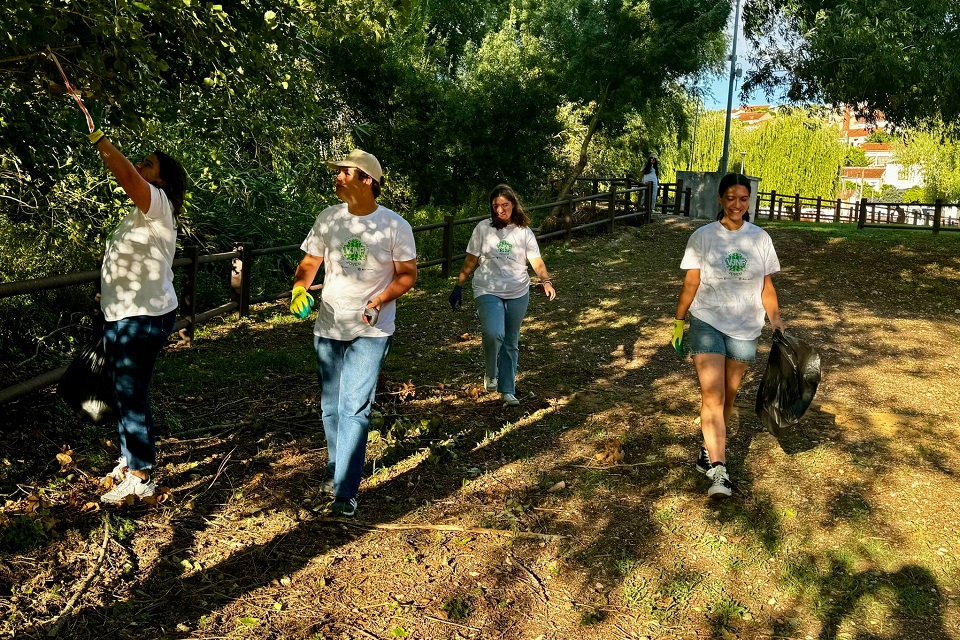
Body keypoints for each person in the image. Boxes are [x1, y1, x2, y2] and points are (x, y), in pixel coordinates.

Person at [290, 149, 417, 518]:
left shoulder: (395, 225)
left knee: (354, 408)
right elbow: (310, 262)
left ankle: (346, 490)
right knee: (331, 407)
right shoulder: (328, 219)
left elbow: (407, 275)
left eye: (345, 172)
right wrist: (300, 289)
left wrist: (380, 299)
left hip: (371, 330)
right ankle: (336, 468)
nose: (338, 177)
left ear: (367, 180)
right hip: (329, 325)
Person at [83, 128, 186, 504]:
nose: (141, 166)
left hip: (142, 317)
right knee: (126, 392)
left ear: (162, 179)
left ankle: (141, 477)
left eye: (149, 164)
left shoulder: (158, 203)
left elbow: (126, 175)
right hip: (124, 314)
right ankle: (132, 462)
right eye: (142, 161)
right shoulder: (140, 215)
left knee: (131, 393)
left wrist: (100, 141)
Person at [671, 173, 784, 498]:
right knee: (714, 397)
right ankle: (719, 470)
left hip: (746, 328)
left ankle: (707, 451)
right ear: (720, 199)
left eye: (743, 198)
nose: (737, 204)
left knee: (729, 398)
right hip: (707, 322)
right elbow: (691, 283)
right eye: (731, 198)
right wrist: (680, 320)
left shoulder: (760, 238)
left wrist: (775, 318)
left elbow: (767, 287)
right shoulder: (703, 237)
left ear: (749, 201)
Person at [448, 184, 556, 406]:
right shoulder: (482, 229)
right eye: (495, 206)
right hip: (487, 289)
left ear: (513, 205)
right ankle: (491, 372)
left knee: (511, 340)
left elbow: (536, 261)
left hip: (518, 291)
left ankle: (508, 390)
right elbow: (470, 261)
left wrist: (545, 281)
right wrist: (458, 286)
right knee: (493, 332)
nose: (500, 210)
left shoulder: (523, 231)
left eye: (504, 205)